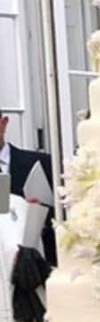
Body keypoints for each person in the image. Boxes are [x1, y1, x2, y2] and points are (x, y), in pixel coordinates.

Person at [0, 110, 56, 265]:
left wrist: (38, 212)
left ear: (3, 123)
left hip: (38, 264)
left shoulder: (41, 163)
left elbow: (62, 215)